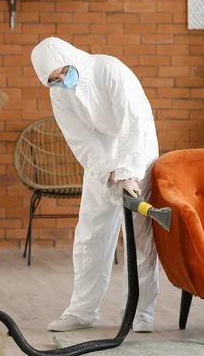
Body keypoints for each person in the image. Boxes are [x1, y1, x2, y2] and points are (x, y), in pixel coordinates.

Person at [30, 37, 160, 333]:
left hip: (138, 150)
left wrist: (129, 171)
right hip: (101, 158)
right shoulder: (60, 93)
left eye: (62, 71)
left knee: (139, 236)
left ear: (70, 57)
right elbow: (80, 139)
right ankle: (82, 311)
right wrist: (108, 173)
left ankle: (142, 311)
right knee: (90, 235)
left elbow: (134, 123)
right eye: (53, 80)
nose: (62, 80)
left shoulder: (109, 69)